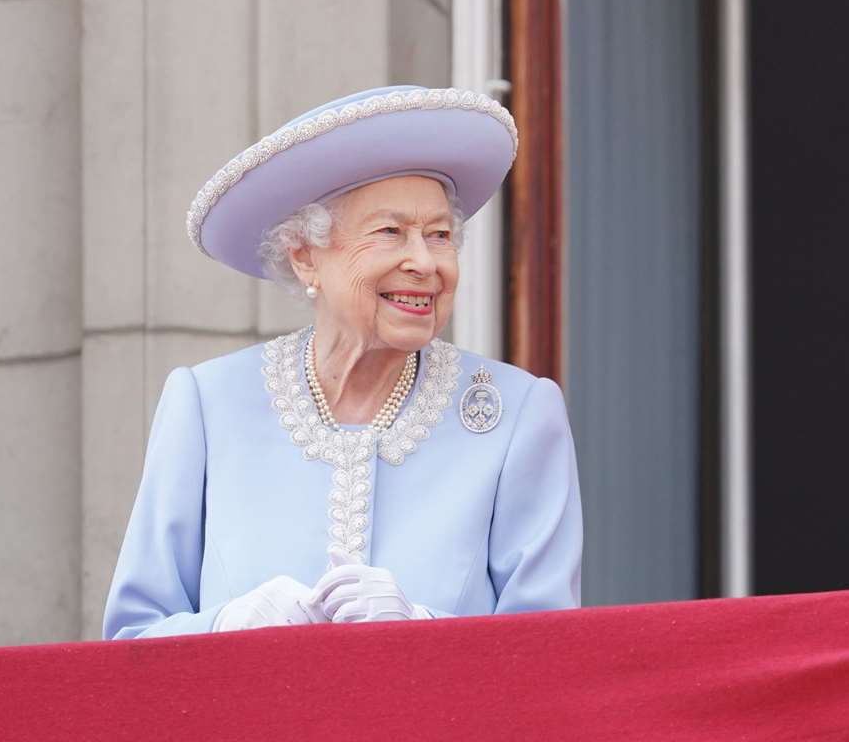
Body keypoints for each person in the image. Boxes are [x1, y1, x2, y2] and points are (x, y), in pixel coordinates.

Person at [104, 86, 582, 637]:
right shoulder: (208, 404)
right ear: (306, 256)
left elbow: (550, 655)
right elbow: (129, 641)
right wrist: (224, 627)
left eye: (440, 236)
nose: (425, 262)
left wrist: (422, 630)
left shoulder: (519, 414)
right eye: (390, 233)